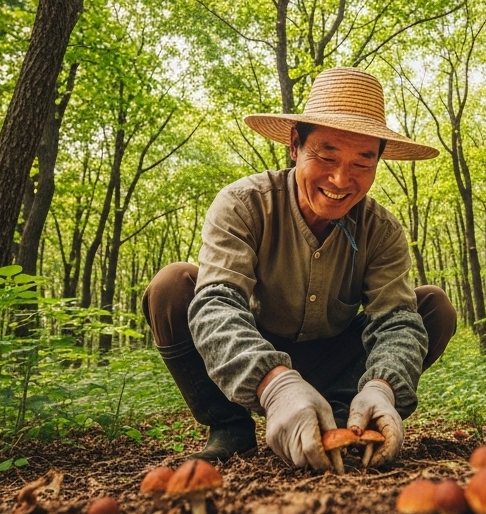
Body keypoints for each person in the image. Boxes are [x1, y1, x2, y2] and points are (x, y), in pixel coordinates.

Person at [143, 67, 456, 469]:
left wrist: (383, 386)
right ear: (295, 146)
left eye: (363, 163)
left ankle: (350, 418)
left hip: (337, 359)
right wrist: (277, 386)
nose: (342, 179)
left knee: (431, 306)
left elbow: (395, 321)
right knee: (172, 285)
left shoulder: (382, 230)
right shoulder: (243, 204)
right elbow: (216, 305)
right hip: (251, 352)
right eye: (326, 155)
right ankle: (229, 427)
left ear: (379, 161)